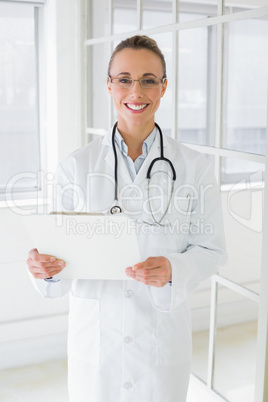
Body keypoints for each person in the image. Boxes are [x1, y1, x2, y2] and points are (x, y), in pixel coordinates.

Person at [27, 35, 227, 402]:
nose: (136, 91)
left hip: (160, 340)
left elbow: (212, 250)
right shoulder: (77, 167)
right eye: (124, 79)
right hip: (97, 344)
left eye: (149, 79)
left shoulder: (195, 168)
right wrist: (44, 267)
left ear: (163, 87)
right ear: (109, 85)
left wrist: (174, 268)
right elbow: (55, 261)